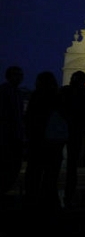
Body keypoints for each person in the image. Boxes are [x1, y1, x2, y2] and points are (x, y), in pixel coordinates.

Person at [24, 71, 66, 212]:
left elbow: (29, 117)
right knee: (51, 172)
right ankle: (49, 198)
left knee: (34, 170)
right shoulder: (57, 97)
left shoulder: (36, 96)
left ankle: (32, 198)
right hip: (53, 140)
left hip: (37, 139)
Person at [59, 71, 85, 208]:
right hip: (76, 130)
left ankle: (62, 193)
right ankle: (70, 191)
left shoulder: (64, 92)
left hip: (63, 130)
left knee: (62, 161)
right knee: (72, 163)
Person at [0, 66, 25, 207]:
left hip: (14, 135)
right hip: (8, 135)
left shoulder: (16, 92)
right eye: (17, 75)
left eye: (20, 75)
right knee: (8, 165)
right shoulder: (7, 91)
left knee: (12, 166)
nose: (19, 78)